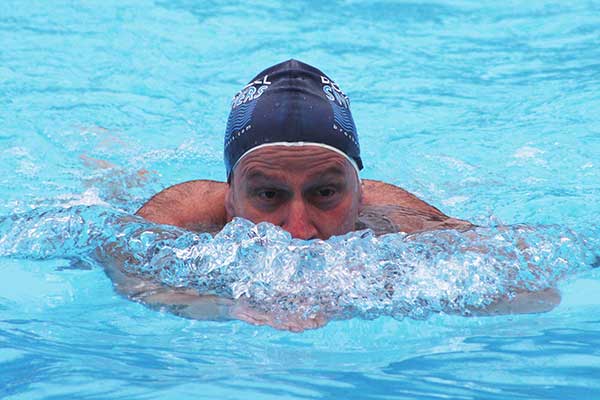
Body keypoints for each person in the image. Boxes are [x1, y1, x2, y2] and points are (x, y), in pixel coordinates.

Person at [102, 60, 559, 332]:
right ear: (231, 198)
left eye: (325, 192)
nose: (298, 230)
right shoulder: (181, 217)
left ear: (360, 194)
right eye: (267, 194)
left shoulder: (396, 219)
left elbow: (537, 294)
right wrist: (224, 306)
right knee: (111, 187)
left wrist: (387, 291)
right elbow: (124, 271)